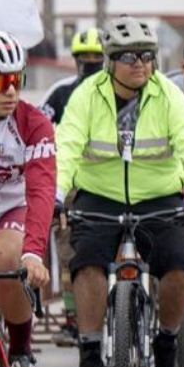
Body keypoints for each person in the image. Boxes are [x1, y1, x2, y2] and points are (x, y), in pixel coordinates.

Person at [57, 16, 184, 367]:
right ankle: (90, 350)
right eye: (129, 56)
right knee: (86, 261)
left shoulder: (170, 97)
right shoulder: (86, 95)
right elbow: (66, 149)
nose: (140, 63)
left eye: (147, 55)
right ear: (109, 61)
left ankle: (167, 341)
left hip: (160, 198)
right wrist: (57, 196)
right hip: (99, 195)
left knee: (180, 268)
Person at [40, 27, 106, 347]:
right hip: (70, 186)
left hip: (110, 183)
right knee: (69, 255)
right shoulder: (60, 93)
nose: (91, 63)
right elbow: (38, 129)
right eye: (85, 58)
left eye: (97, 57)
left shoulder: (118, 92)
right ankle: (72, 318)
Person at [0, 32, 55, 367]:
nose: (11, 92)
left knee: (8, 257)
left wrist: (33, 251)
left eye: (17, 80)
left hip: (14, 205)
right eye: (1, 81)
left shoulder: (33, 123)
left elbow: (41, 190)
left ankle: (20, 350)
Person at [39, 28, 106, 126]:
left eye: (98, 56)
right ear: (76, 59)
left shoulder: (120, 92)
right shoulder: (60, 92)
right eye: (85, 56)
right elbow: (37, 124)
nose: (92, 61)